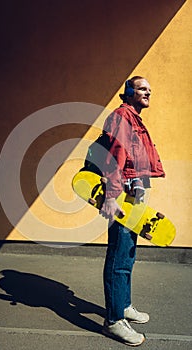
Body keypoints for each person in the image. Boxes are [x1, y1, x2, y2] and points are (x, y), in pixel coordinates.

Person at [99, 76, 165, 346]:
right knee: (118, 253)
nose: (148, 91)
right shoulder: (122, 116)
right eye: (141, 88)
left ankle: (123, 305)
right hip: (122, 195)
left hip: (133, 193)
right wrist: (111, 196)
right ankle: (113, 321)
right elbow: (115, 156)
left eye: (150, 88)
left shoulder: (134, 118)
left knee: (127, 252)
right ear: (128, 93)